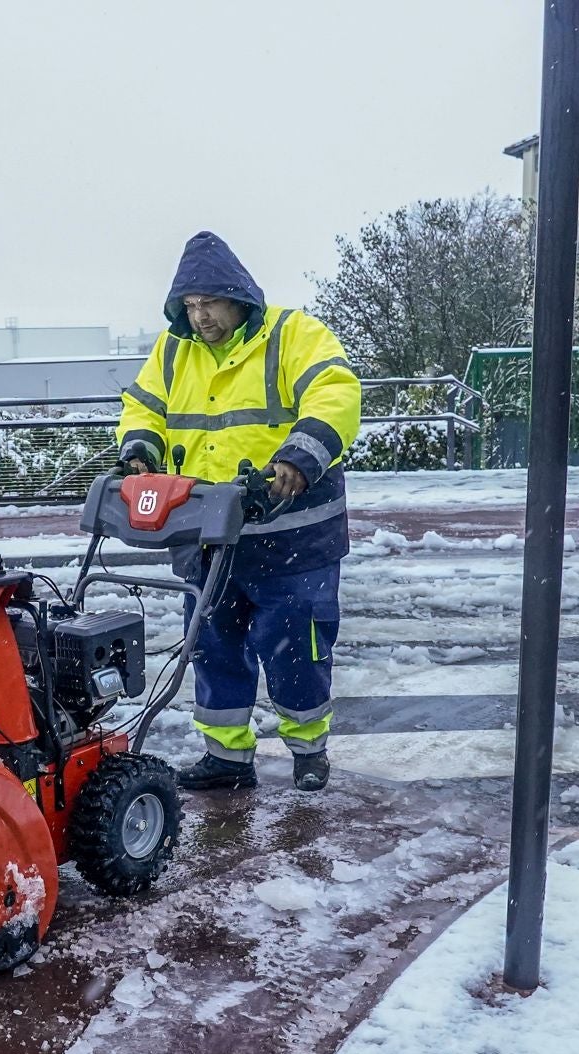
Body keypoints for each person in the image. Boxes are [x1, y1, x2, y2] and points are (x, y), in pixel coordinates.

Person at [116, 231, 361, 793]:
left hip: (293, 535)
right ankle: (226, 756)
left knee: (297, 648)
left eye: (209, 303)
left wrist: (298, 458)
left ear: (238, 297)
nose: (200, 317)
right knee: (212, 645)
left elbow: (336, 393)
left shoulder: (293, 334)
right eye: (190, 306)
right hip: (208, 531)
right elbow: (142, 408)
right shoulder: (174, 351)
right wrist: (139, 451)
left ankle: (309, 750)